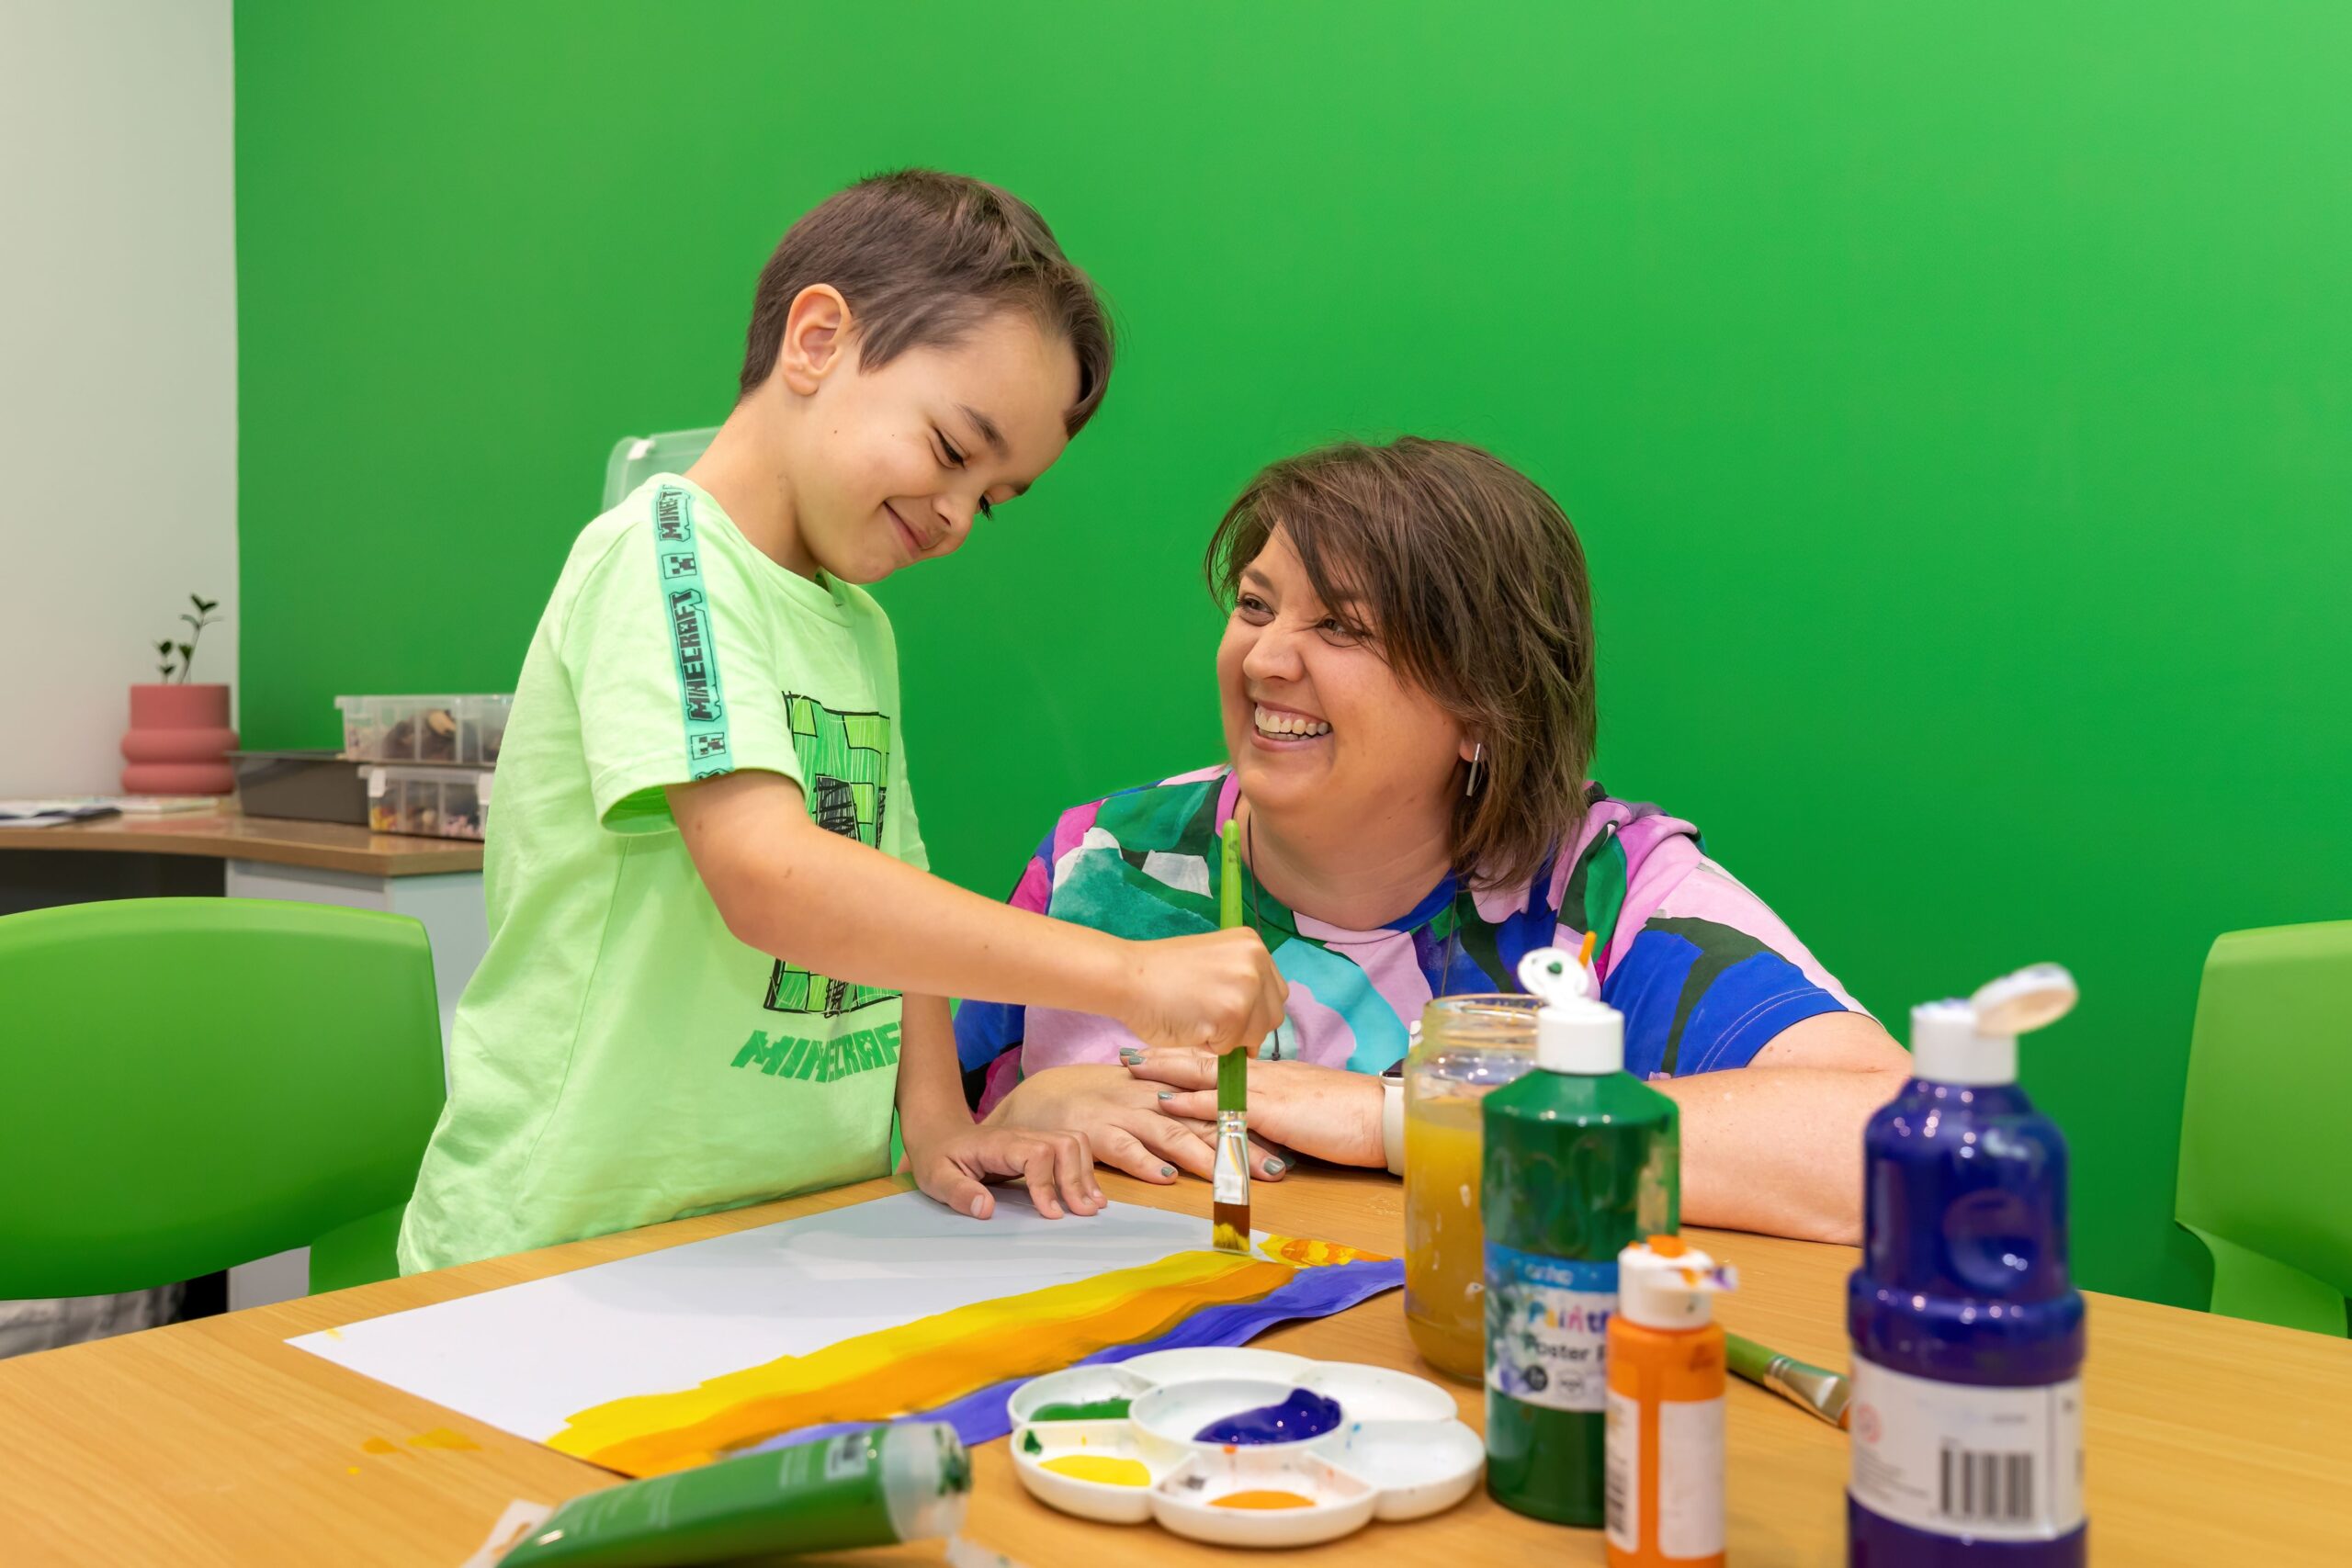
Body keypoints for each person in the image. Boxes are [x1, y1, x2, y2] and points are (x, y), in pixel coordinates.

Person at [399, 172, 1286, 1273]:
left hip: (784, 1226)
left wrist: (937, 1125)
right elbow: (769, 874)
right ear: (816, 341)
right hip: (575, 1235)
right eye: (956, 453)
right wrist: (1130, 976)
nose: (959, 517)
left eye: (994, 500)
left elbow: (888, 891)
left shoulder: (856, 627)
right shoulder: (666, 557)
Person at [956, 436, 1908, 1244]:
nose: (1264, 659)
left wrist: (1402, 1123)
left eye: (1340, 628)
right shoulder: (1098, 860)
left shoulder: (1602, 897)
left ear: (1482, 710)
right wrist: (1008, 1117)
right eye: (1254, 605)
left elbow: (1900, 1148)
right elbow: (903, 1144)